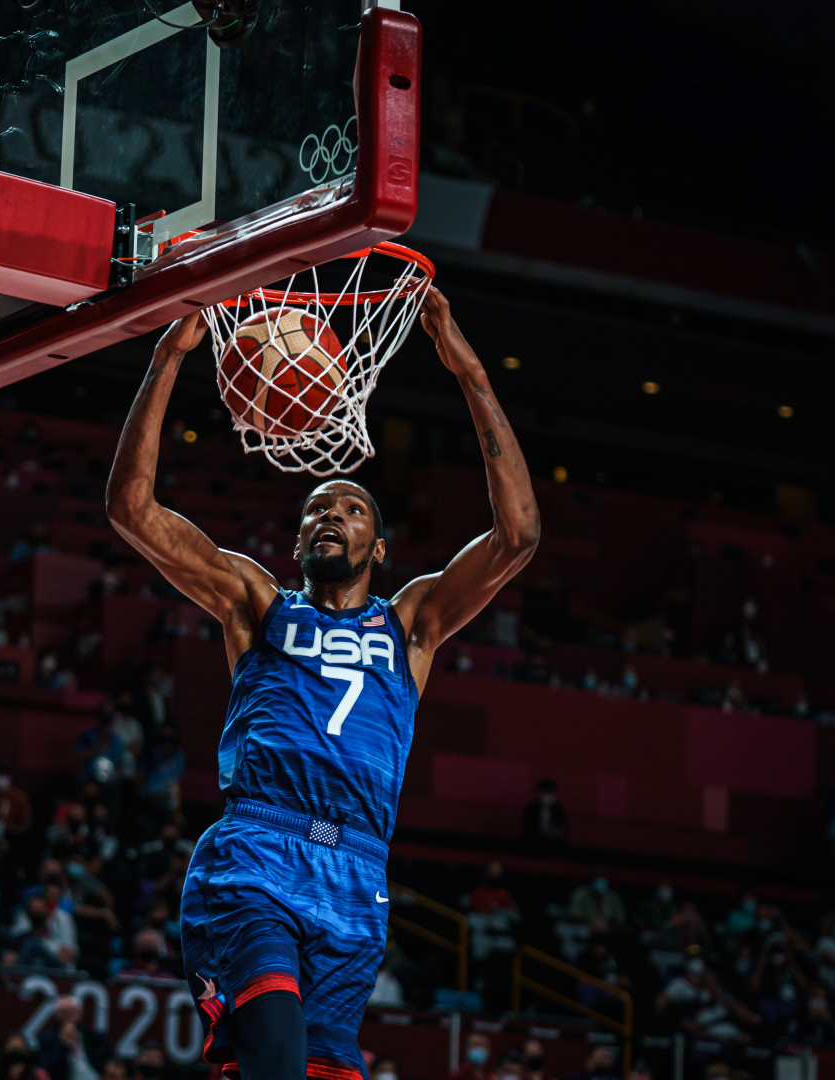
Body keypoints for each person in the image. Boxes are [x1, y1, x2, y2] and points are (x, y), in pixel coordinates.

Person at [104, 290, 539, 1080]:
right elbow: (132, 509)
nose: (328, 515)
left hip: (357, 874)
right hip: (257, 852)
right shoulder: (256, 603)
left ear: (380, 543)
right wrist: (168, 358)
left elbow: (518, 537)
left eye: (350, 507)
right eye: (314, 509)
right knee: (275, 1062)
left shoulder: (411, 624)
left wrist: (469, 370)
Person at [33, 997, 109, 1080]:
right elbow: (49, 1070)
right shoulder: (47, 1039)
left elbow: (107, 1062)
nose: (68, 1016)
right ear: (56, 1015)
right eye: (64, 1012)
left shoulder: (95, 1037)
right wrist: (62, 1044)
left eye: (72, 1011)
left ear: (80, 1013)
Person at [521, 779, 569, 856]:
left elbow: (562, 830)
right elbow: (528, 829)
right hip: (534, 842)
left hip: (553, 844)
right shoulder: (531, 808)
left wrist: (552, 832)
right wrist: (545, 832)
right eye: (546, 793)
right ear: (539, 794)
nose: (548, 796)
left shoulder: (558, 809)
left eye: (551, 793)